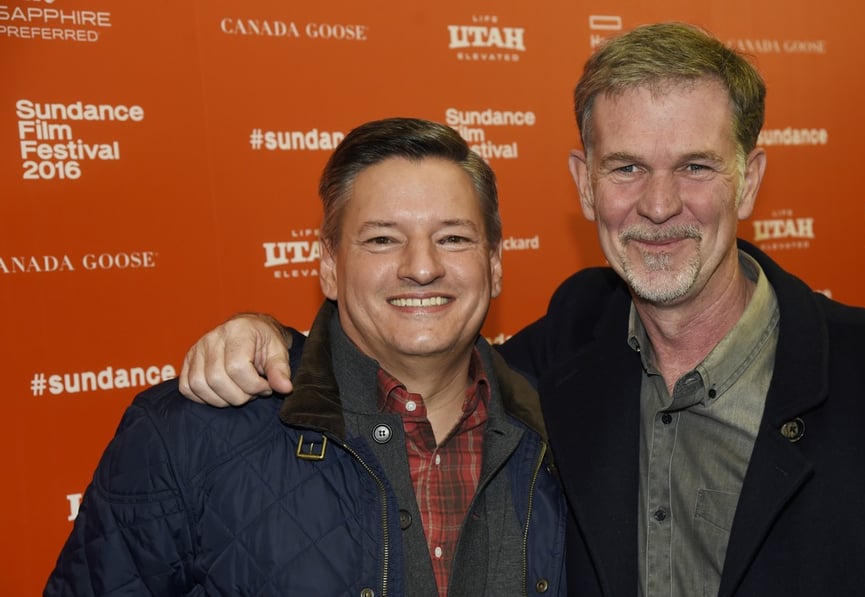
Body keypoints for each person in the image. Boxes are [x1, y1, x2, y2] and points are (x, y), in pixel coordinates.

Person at [177, 23, 865, 597]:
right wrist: (271, 342)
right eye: (625, 169)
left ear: (752, 180)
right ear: (583, 183)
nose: (658, 205)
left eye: (695, 166)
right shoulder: (553, 363)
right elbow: (411, 351)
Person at [45, 118, 566, 596]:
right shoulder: (186, 437)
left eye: (453, 238)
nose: (422, 267)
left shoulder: (564, 432)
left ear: (494, 263)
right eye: (382, 239)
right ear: (328, 265)